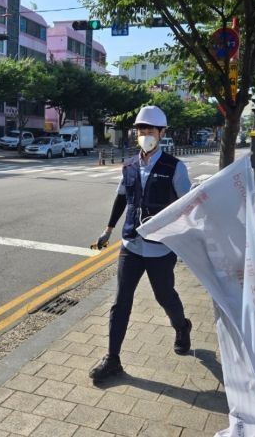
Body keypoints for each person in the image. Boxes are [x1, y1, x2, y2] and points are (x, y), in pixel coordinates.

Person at [89, 105, 192, 382]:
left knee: (164, 296)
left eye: (150, 130)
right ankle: (112, 359)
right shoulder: (129, 165)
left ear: (162, 133)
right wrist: (108, 230)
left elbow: (187, 207)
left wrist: (186, 241)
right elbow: (122, 197)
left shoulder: (175, 167)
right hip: (131, 245)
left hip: (160, 248)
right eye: (141, 129)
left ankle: (182, 327)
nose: (145, 134)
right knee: (120, 301)